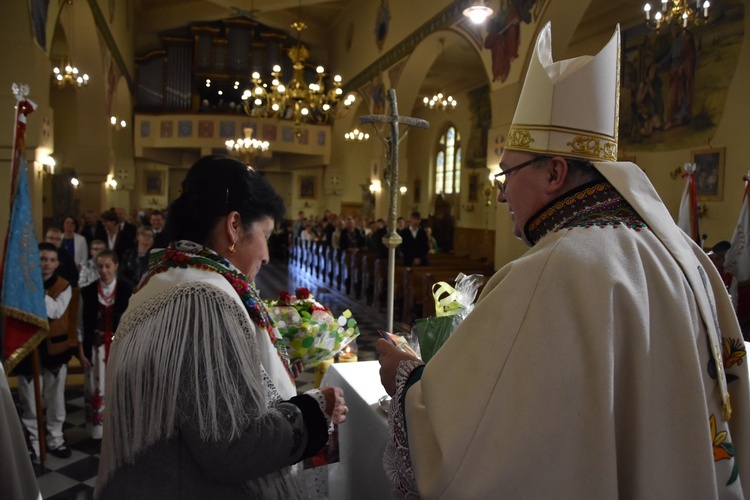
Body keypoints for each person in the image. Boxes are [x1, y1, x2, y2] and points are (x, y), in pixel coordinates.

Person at [377, 23, 750, 498]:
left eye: (507, 173)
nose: (500, 192)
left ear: (554, 172)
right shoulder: (679, 252)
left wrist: (406, 379)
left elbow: (491, 440)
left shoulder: (553, 271)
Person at [95, 156, 348, 499]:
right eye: (266, 235)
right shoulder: (203, 300)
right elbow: (233, 445)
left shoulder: (163, 279)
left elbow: (194, 398)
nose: (267, 255)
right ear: (234, 226)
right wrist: (316, 409)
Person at [13, 243, 74, 460]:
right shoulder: (21, 284)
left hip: (54, 350)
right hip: (28, 349)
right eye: (41, 259)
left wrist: (38, 289)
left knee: (55, 398)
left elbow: (55, 311)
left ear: (57, 263)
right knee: (29, 400)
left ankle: (55, 439)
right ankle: (34, 441)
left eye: (50, 260)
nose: (46, 264)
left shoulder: (63, 286)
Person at [78, 250, 132, 439]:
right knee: (97, 386)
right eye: (100, 266)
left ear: (116, 266)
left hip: (121, 347)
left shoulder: (127, 289)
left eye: (108, 266)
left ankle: (120, 428)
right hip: (96, 347)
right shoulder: (88, 291)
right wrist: (82, 351)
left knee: (119, 385)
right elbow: (81, 325)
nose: (104, 270)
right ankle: (98, 431)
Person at [709, 240, 739, 313]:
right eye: (711, 259)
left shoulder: (730, 278)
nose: (714, 262)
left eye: (717, 259)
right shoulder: (702, 275)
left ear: (723, 260)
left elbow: (733, 304)